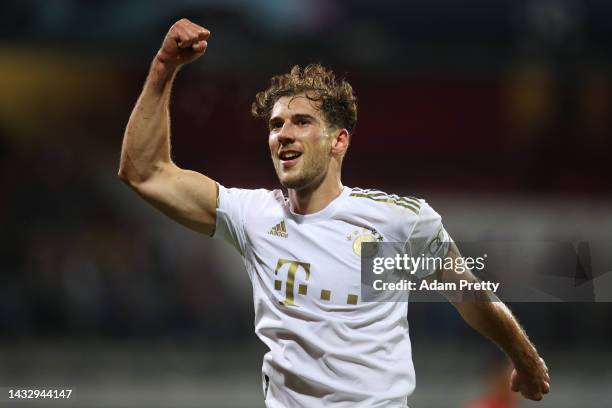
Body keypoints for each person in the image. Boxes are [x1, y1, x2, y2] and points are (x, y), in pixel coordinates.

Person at [118, 18, 550, 407]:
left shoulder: (399, 221)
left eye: (301, 122)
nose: (283, 135)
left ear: (338, 141)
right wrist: (163, 68)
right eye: (275, 125)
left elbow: (469, 295)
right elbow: (144, 172)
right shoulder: (251, 215)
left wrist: (524, 359)